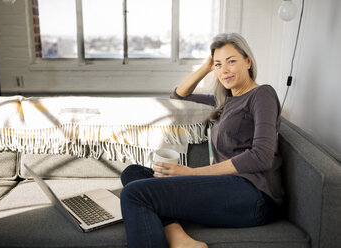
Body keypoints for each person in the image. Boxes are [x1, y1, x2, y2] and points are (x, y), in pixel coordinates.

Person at [120, 33, 282, 248]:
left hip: (254, 195)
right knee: (133, 173)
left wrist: (192, 172)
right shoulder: (224, 101)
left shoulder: (262, 94)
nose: (224, 70)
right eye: (218, 64)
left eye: (231, 61)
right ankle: (178, 237)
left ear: (248, 61)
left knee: (135, 193)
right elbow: (179, 97)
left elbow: (261, 156)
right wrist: (207, 67)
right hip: (226, 187)